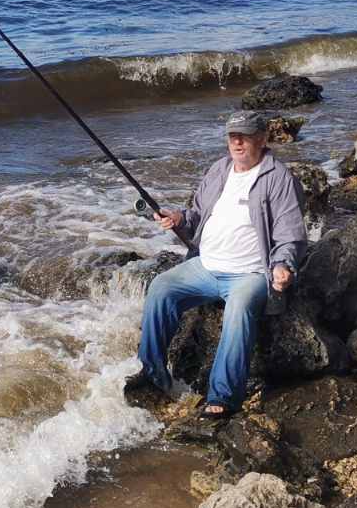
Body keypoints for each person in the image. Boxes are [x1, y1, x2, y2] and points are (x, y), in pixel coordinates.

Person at [124, 110, 307, 424]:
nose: (236, 141)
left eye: (245, 135)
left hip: (249, 273)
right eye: (232, 136)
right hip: (205, 266)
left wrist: (282, 265)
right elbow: (196, 214)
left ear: (262, 139)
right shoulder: (219, 169)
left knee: (239, 311)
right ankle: (153, 374)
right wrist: (178, 217)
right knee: (161, 288)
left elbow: (291, 234)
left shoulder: (279, 178)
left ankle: (222, 398)